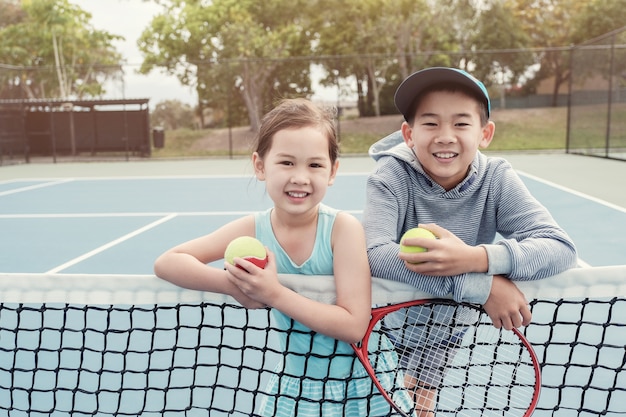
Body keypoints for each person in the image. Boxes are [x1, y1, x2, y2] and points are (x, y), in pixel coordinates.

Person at [154, 98, 412, 417]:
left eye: (314, 165)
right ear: (260, 166)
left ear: (333, 171)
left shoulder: (342, 230)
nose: (300, 177)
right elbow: (168, 262)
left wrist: (273, 293)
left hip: (363, 380)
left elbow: (354, 325)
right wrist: (234, 285)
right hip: (300, 381)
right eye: (287, 163)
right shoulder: (253, 229)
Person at [362, 67, 578, 415]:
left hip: (449, 325)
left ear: (485, 133)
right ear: (408, 133)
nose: (445, 136)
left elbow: (559, 247)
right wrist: (482, 286)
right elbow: (374, 253)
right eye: (430, 123)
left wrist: (476, 259)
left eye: (461, 123)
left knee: (422, 403)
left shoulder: (496, 179)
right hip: (383, 326)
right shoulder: (390, 176)